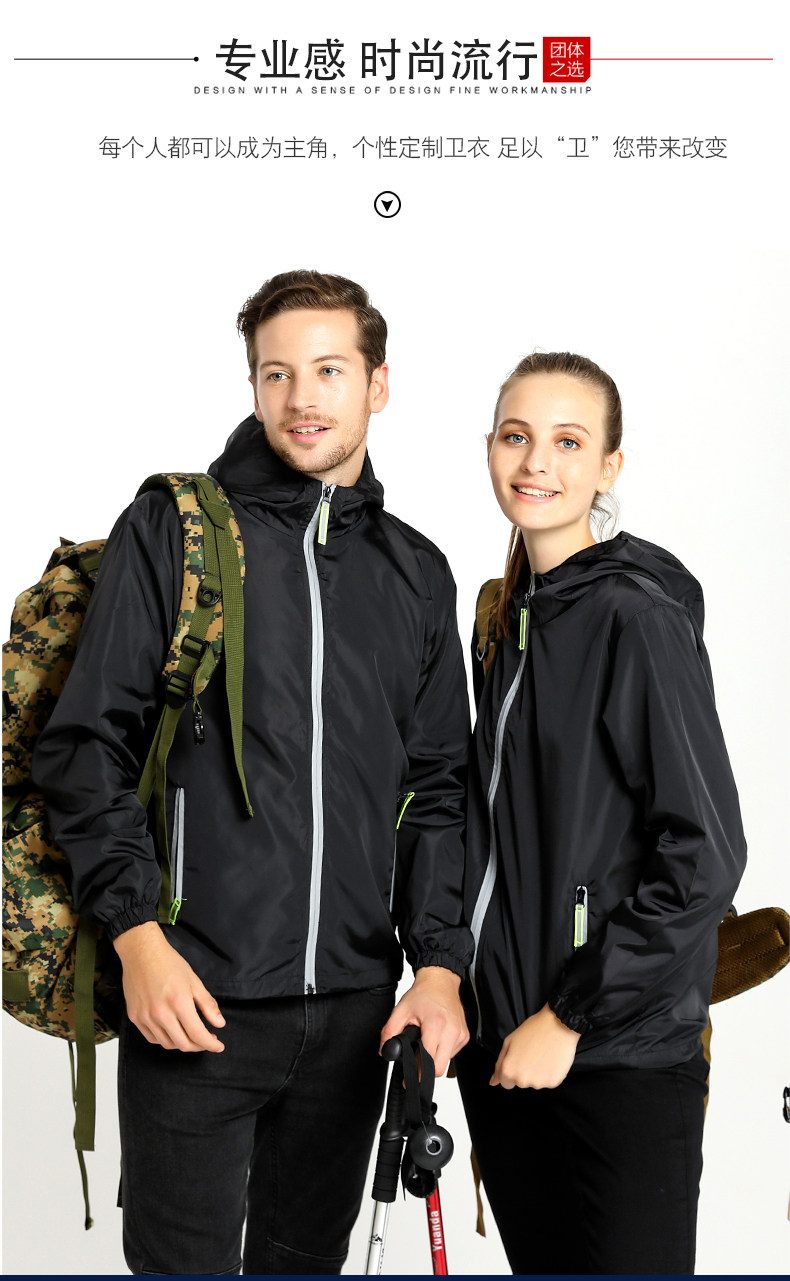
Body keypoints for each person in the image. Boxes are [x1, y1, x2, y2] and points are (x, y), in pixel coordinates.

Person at [33, 270, 473, 1276]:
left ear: (378, 384)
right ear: (253, 384)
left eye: (328, 370)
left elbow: (439, 789)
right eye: (276, 373)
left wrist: (440, 967)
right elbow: (86, 746)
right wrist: (137, 937)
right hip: (196, 999)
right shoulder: (176, 532)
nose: (301, 397)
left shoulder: (415, 572)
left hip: (356, 1013)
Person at [455, 352, 747, 1275]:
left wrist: (570, 1014)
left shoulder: (634, 618)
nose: (536, 462)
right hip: (505, 1056)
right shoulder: (507, 623)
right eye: (516, 436)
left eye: (568, 441)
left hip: (615, 1058)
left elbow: (705, 853)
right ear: (490, 448)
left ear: (609, 466)